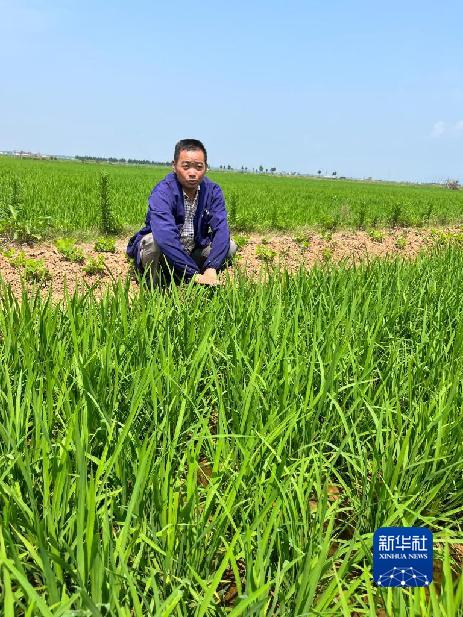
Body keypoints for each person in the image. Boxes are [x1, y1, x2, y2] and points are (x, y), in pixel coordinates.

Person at [127, 139, 237, 286]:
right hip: (165, 253)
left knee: (230, 246)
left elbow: (221, 229)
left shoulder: (212, 191)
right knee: (153, 242)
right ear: (174, 166)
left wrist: (212, 266)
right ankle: (155, 284)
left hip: (193, 250)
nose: (192, 173)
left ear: (206, 168)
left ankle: (202, 279)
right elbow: (165, 237)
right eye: (186, 167)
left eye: (199, 167)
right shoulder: (163, 192)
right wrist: (193, 274)